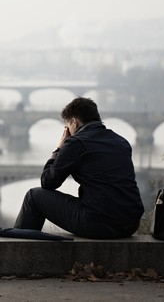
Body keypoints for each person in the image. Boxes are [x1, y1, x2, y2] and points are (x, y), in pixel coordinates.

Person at [14, 97, 144, 239]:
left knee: (33, 196)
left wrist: (59, 148)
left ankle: (17, 250)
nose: (68, 130)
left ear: (74, 122)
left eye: (67, 126)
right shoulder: (121, 142)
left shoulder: (77, 143)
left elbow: (48, 182)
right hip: (130, 224)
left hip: (98, 223)